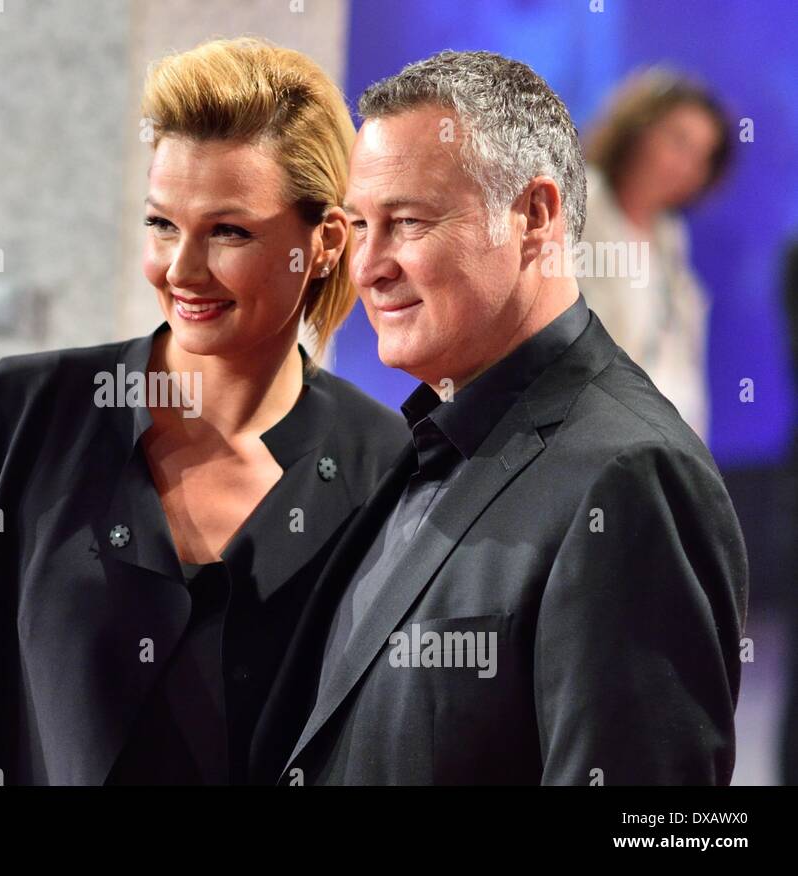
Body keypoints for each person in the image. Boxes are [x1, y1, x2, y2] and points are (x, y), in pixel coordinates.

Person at [0, 37, 409, 785]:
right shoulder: (27, 413)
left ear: (325, 242)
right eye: (163, 224)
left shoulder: (382, 466)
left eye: (229, 231)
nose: (182, 269)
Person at [250, 50, 749, 785]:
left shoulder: (632, 476)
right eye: (361, 224)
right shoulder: (430, 439)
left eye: (409, 221)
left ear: (536, 217)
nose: (369, 265)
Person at [580, 68, 733, 442]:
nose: (686, 165)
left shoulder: (671, 235)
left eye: (702, 156)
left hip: (669, 444)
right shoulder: (579, 204)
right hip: (596, 441)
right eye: (678, 141)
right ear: (636, 129)